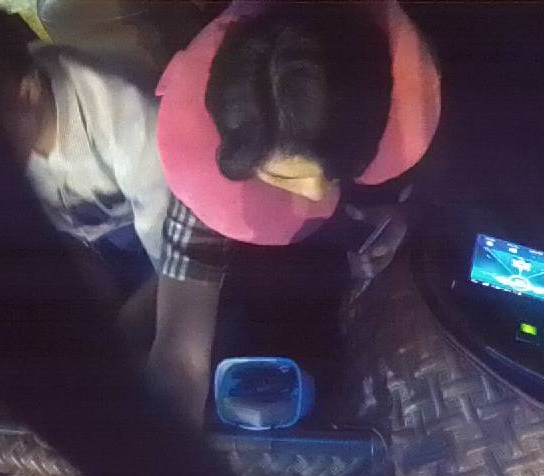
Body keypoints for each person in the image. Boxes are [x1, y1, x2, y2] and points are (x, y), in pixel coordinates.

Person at [148, 0, 440, 426]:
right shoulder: (203, 177)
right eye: (283, 177)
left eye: (335, 171)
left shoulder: (404, 108)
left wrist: (401, 218)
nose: (315, 195)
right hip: (260, 286)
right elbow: (180, 355)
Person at [0, 16, 171, 304]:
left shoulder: (126, 117)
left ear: (29, 92)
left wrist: (128, 319)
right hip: (84, 244)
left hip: (143, 237)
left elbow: (173, 262)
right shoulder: (8, 123)